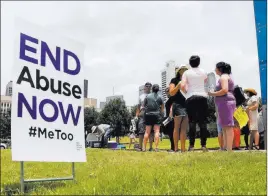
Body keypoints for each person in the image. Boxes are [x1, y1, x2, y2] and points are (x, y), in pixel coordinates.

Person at [181, 56, 209, 152]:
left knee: (192, 122)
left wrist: (186, 92)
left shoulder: (186, 73)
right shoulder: (203, 72)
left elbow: (182, 85)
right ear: (199, 62)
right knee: (203, 122)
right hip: (202, 97)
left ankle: (192, 146)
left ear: (190, 63)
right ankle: (203, 145)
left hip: (191, 97)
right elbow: (205, 81)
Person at [208, 62, 236, 151]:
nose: (215, 70)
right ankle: (226, 148)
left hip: (225, 102)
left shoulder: (223, 77)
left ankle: (229, 149)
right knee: (224, 126)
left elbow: (224, 90)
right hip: (224, 102)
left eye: (216, 68)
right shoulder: (225, 76)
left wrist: (212, 93)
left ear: (220, 69)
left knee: (228, 126)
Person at [169, 66, 189, 152]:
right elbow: (171, 93)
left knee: (184, 128)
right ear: (179, 71)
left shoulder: (188, 80)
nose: (184, 71)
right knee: (177, 127)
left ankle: (183, 149)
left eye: (185, 70)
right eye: (182, 70)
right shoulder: (174, 80)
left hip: (187, 104)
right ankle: (176, 148)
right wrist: (178, 86)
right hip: (177, 104)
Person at [143, 84, 164, 152]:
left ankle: (144, 148)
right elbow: (162, 108)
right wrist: (160, 113)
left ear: (152, 89)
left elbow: (143, 106)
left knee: (147, 132)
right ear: (158, 90)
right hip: (157, 115)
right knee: (157, 131)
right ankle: (156, 148)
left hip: (148, 115)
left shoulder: (147, 96)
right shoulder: (160, 97)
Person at [135, 82, 154, 151]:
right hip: (142, 113)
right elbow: (138, 107)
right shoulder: (141, 96)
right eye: (147, 86)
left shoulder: (154, 95)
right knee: (141, 131)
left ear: (151, 88)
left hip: (151, 113)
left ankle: (151, 147)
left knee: (151, 131)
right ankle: (140, 147)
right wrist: (136, 116)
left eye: (150, 86)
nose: (148, 87)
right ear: (145, 87)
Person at [163, 87, 175, 152]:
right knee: (170, 133)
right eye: (166, 92)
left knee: (171, 133)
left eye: (167, 92)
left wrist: (170, 116)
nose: (166, 93)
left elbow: (172, 108)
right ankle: (173, 147)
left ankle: (173, 148)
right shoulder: (169, 99)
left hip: (171, 118)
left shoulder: (172, 99)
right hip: (169, 118)